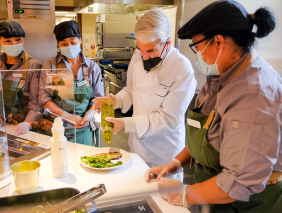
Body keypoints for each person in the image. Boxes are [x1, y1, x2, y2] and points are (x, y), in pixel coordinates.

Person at [145, 1, 282, 212]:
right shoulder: (220, 76)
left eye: (197, 47)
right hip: (213, 194)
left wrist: (184, 194)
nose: (197, 55)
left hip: (246, 204)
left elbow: (239, 184)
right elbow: (206, 134)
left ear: (218, 42)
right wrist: (175, 162)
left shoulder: (254, 96)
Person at [93, 8, 197, 181]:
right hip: (138, 147)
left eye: (151, 51)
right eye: (140, 49)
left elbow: (167, 119)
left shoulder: (182, 69)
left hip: (165, 154)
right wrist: (116, 100)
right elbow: (132, 88)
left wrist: (125, 124)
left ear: (167, 44)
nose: (144, 57)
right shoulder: (138, 55)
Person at [38, 20, 104, 146]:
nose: (69, 46)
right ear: (58, 44)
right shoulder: (50, 65)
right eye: (64, 43)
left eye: (73, 42)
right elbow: (44, 98)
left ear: (80, 40)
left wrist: (89, 115)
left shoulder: (92, 68)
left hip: (83, 129)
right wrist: (67, 116)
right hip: (56, 127)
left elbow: (98, 99)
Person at [0, 20, 42, 136]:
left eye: (18, 40)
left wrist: (27, 123)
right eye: (7, 41)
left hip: (25, 128)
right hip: (1, 125)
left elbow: (36, 102)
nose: (13, 44)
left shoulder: (33, 65)